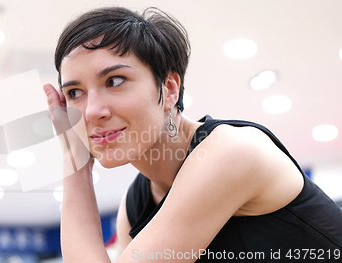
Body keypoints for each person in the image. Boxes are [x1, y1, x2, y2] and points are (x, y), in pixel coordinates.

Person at [43, 6, 342, 262]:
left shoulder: (231, 151)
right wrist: (73, 155)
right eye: (74, 92)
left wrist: (75, 161)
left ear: (169, 88)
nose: (92, 111)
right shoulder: (134, 208)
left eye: (115, 80)